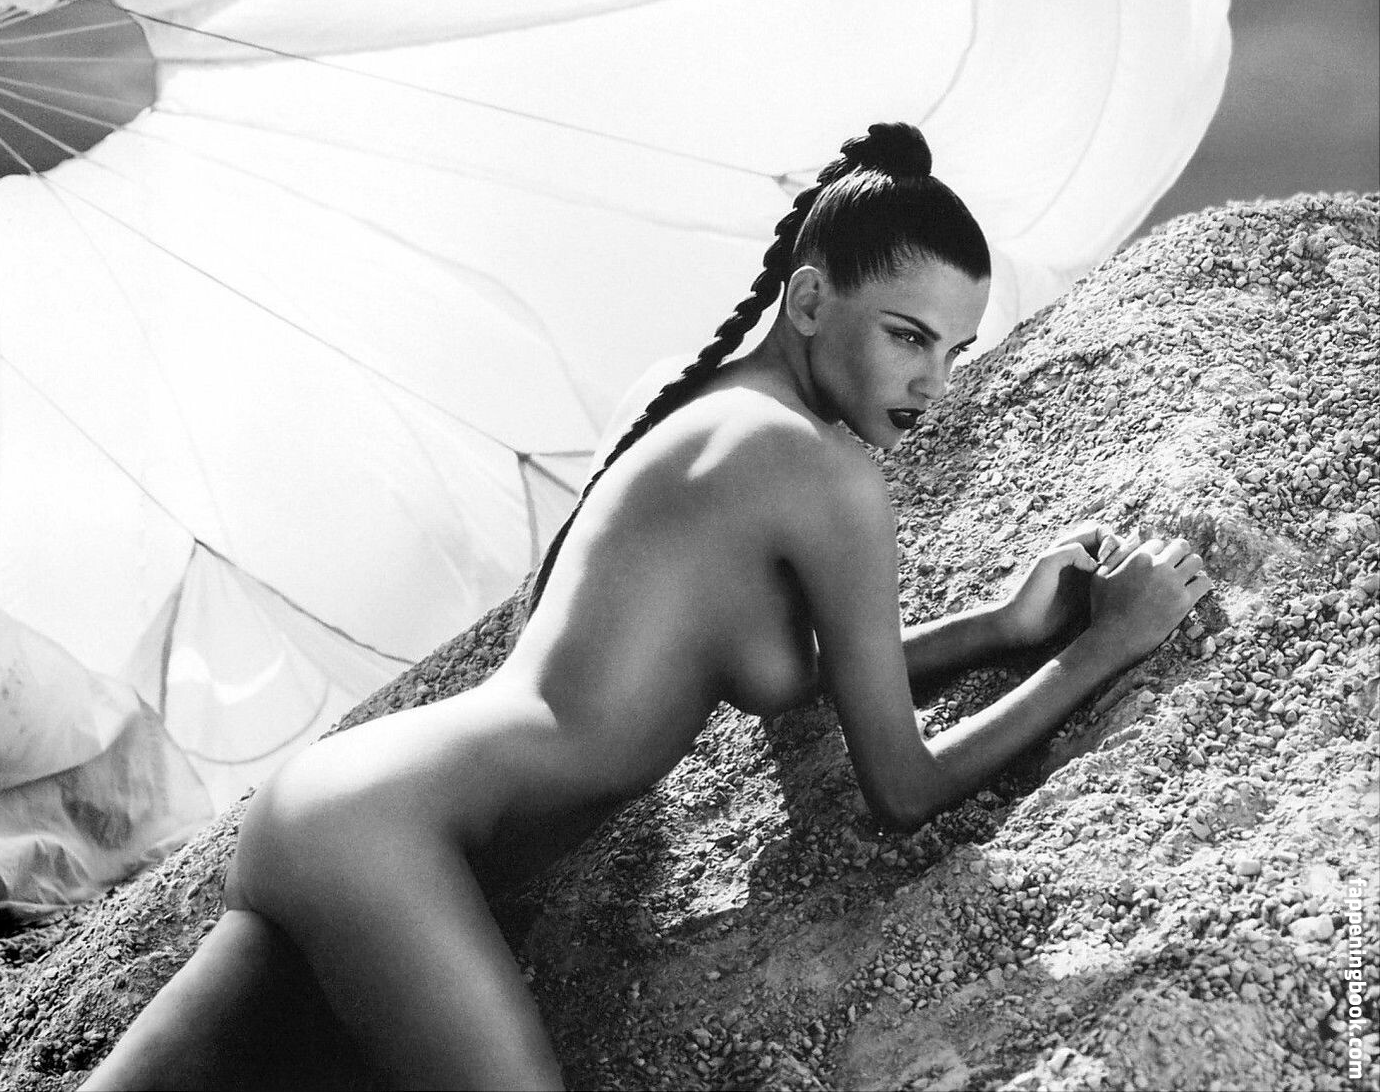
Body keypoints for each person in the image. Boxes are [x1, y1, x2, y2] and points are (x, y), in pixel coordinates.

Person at [83, 122, 1211, 1091]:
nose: (934, 383)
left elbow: (792, 675)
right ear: (810, 299)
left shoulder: (698, 405)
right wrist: (1109, 644)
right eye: (907, 336)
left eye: (955, 350)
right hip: (389, 841)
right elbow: (903, 788)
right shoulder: (822, 474)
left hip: (339, 810)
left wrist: (1002, 629)